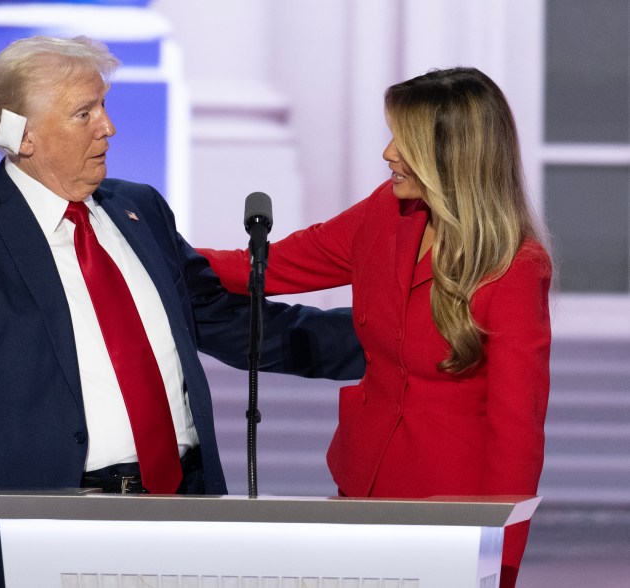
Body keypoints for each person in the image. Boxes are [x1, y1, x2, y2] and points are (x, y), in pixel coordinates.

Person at [0, 35, 363, 586]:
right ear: (22, 137)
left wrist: (397, 339)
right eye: (84, 112)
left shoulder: (138, 208)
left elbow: (233, 322)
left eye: (103, 106)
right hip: (24, 527)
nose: (108, 126)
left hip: (176, 510)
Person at [198, 67, 551, 588]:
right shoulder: (389, 212)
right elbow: (272, 266)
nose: (387, 153)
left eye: (402, 141)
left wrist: (498, 562)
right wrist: (157, 255)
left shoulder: (516, 267)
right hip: (360, 487)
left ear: (451, 154)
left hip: (448, 515)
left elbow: (516, 433)